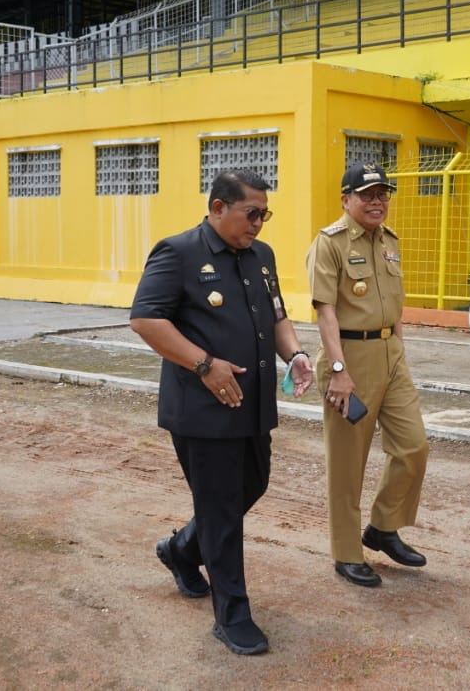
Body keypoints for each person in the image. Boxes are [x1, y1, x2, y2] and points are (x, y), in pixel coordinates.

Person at [130, 168, 314, 656]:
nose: (259, 223)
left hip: (251, 404)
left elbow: (276, 314)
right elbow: (146, 319)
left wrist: (295, 353)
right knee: (222, 513)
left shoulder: (261, 256)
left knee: (251, 486)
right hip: (203, 409)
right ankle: (232, 616)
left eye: (264, 214)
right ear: (218, 208)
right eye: (251, 213)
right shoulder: (179, 251)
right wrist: (205, 365)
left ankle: (181, 549)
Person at [306, 162, 430, 587]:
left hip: (390, 355)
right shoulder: (330, 243)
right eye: (367, 195)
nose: (377, 202)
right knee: (347, 463)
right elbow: (325, 312)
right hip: (349, 358)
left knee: (414, 446)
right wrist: (338, 370)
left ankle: (382, 527)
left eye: (383, 194)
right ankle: (346, 552)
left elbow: (394, 304)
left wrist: (398, 350)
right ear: (346, 199)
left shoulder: (389, 242)